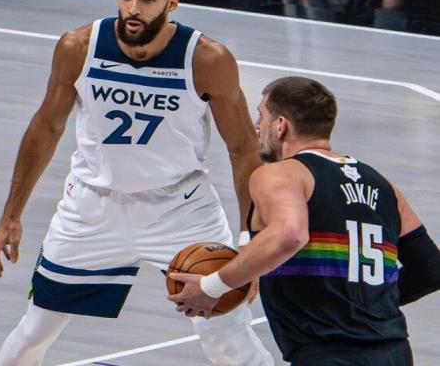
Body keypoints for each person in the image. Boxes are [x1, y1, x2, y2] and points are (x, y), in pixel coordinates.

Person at [0, 0, 274, 366]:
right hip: (91, 207)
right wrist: (11, 215)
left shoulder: (207, 58)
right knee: (35, 330)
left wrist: (250, 239)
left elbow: (244, 148)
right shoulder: (79, 46)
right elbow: (46, 126)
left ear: (172, 4)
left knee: (226, 336)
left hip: (181, 211)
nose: (133, 9)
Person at [169, 76, 440, 365]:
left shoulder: (281, 174)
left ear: (281, 125)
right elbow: (431, 269)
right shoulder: (383, 184)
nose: (257, 125)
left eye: (261, 115)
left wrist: (211, 287)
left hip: (329, 355)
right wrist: (372, 304)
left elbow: (289, 235)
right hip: (394, 352)